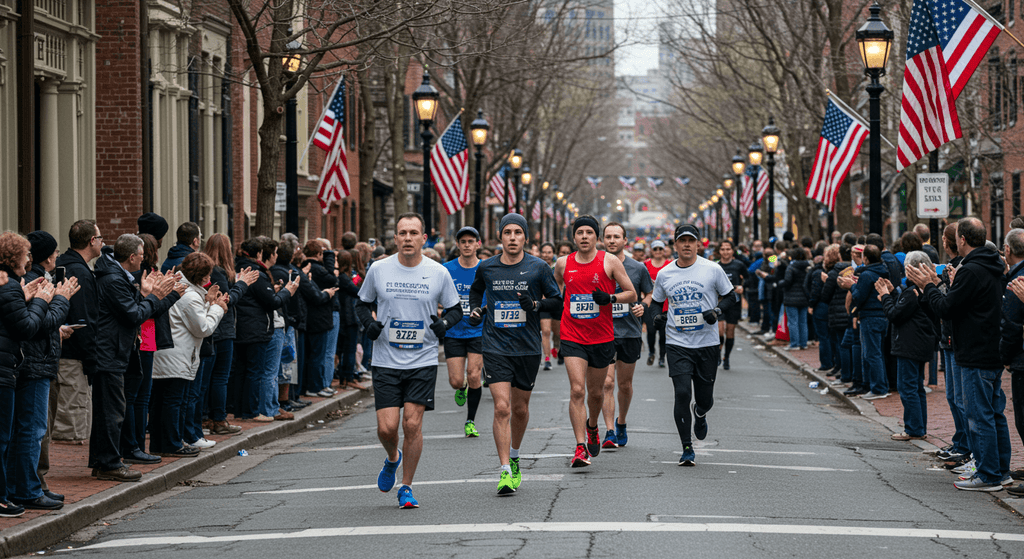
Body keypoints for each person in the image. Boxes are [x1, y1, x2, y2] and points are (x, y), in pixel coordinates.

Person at [356, 212, 463, 508]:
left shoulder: (438, 272)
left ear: (423, 238)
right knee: (387, 428)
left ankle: (407, 486)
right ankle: (393, 458)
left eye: (413, 233)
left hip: (423, 359)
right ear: (395, 238)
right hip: (386, 360)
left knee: (412, 425)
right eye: (402, 233)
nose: (407, 238)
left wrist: (444, 325)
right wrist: (370, 325)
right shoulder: (379, 269)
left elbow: (456, 310)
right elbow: (362, 304)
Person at [907, 217, 1009, 491]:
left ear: (962, 239)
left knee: (980, 414)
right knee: (995, 412)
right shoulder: (995, 265)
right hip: (992, 347)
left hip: (974, 350)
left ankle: (988, 474)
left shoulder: (971, 270)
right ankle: (1001, 469)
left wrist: (930, 285)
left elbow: (947, 309)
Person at [466, 214, 561, 494]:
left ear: (525, 237)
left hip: (528, 347)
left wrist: (534, 305)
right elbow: (476, 291)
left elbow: (556, 301)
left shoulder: (538, 267)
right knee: (502, 407)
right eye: (507, 232)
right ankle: (505, 469)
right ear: (500, 237)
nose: (512, 237)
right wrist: (475, 309)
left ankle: (516, 455)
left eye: (517, 232)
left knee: (519, 409)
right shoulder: (487, 267)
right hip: (495, 345)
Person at [91, 234, 183, 481]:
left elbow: (135, 310)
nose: (144, 261)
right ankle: (109, 463)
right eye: (141, 256)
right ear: (131, 257)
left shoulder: (117, 277)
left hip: (115, 350)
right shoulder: (114, 280)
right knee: (112, 411)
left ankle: (105, 460)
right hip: (110, 351)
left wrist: (151, 295)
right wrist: (154, 296)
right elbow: (134, 315)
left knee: (111, 409)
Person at [552, 215, 637, 467]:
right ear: (574, 237)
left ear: (596, 237)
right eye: (580, 233)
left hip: (601, 337)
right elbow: (558, 288)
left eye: (589, 232)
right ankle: (580, 447)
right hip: (572, 335)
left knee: (596, 393)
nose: (585, 236)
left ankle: (592, 426)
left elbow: (631, 293)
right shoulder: (562, 263)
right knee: (577, 389)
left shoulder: (608, 261)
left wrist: (610, 299)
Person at [650, 224, 737, 466]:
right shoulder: (665, 274)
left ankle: (700, 413)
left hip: (707, 343)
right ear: (675, 245)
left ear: (698, 244)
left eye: (691, 240)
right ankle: (687, 447)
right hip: (677, 343)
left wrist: (717, 311)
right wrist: (657, 317)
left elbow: (731, 297)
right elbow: (656, 303)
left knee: (705, 399)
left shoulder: (712, 269)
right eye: (682, 240)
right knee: (681, 393)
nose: (687, 244)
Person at [2, 232, 76, 512]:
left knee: (24, 430)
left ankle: (22, 487)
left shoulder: (18, 283)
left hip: (26, 362)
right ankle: (27, 490)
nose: (29, 259)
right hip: (32, 363)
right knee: (31, 430)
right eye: (26, 254)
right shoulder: (23, 283)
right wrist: (60, 299)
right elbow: (36, 323)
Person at [150, 253, 227, 457]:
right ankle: (172, 443)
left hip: (170, 353)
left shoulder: (186, 289)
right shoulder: (190, 296)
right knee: (173, 401)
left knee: (163, 401)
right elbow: (202, 327)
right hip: (177, 355)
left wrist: (208, 303)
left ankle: (161, 443)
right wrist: (217, 309)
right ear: (202, 276)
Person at [232, 238, 297, 422]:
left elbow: (258, 296)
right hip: (255, 329)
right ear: (259, 253)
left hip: (242, 327)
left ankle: (240, 410)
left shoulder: (239, 270)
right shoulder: (257, 274)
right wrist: (287, 291)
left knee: (242, 370)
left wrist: (272, 290)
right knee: (255, 371)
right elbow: (272, 302)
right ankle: (252, 411)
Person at [600, 222, 652, 449]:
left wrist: (644, 306)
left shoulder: (638, 268)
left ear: (624, 241)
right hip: (603, 332)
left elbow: (649, 293)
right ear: (603, 240)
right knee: (607, 383)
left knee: (625, 384)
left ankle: (621, 422)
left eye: (616, 237)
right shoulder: (596, 266)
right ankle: (610, 431)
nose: (612, 240)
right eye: (608, 236)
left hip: (630, 332)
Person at [876, 251, 937, 441]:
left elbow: (895, 314)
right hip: (921, 342)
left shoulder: (912, 293)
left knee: (908, 387)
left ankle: (914, 428)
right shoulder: (924, 290)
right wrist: (894, 292)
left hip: (909, 344)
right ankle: (919, 426)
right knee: (916, 387)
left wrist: (885, 296)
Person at [53, 220, 104, 444]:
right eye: (100, 238)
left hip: (63, 351)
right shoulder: (80, 274)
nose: (102, 243)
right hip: (74, 355)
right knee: (70, 431)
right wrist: (91, 358)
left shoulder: (63, 265)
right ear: (92, 241)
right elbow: (84, 319)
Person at [203, 234, 258, 435]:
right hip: (221, 329)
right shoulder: (218, 272)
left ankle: (207, 417)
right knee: (219, 377)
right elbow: (227, 300)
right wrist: (242, 284)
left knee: (207, 378)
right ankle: (218, 419)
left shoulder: (208, 271)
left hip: (211, 328)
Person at [443, 227, 486, 438]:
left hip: (478, 331)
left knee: (475, 375)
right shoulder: (446, 269)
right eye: (463, 241)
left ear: (478, 243)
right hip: (454, 331)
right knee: (456, 381)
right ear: (458, 245)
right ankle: (461, 388)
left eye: (471, 241)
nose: (467, 245)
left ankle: (470, 420)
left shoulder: (485, 269)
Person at [849, 245, 890, 399]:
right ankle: (881, 385)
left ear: (865, 258)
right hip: (882, 315)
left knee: (872, 353)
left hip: (870, 316)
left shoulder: (867, 275)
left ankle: (878, 388)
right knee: (878, 353)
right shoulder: (883, 270)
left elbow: (859, 296)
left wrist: (852, 286)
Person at [1000, 229, 1024, 493]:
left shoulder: (1017, 280)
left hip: (1020, 358)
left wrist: (1005, 356)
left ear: (1007, 250)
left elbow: (1011, 324)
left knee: (1023, 418)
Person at [300, 240, 340, 398]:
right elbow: (332, 279)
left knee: (314, 354)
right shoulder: (318, 269)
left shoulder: (305, 268)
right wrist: (329, 255)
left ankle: (315, 384)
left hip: (310, 317)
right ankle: (316, 386)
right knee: (319, 354)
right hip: (319, 317)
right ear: (319, 254)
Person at [715, 240, 747, 368]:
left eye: (728, 249)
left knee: (730, 331)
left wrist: (742, 286)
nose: (725, 252)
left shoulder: (739, 265)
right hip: (719, 302)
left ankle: (726, 357)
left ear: (733, 251)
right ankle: (717, 353)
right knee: (719, 330)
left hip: (734, 302)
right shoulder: (715, 266)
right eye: (723, 249)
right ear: (719, 251)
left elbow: (749, 278)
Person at [645, 240, 672, 367]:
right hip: (650, 303)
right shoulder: (645, 265)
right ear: (651, 251)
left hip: (666, 304)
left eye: (660, 249)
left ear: (664, 251)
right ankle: (651, 352)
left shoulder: (670, 265)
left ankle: (662, 357)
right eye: (655, 249)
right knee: (651, 331)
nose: (657, 252)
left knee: (663, 333)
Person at [539, 242, 557, 370]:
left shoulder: (558, 267)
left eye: (549, 252)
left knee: (558, 331)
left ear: (553, 254)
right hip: (544, 304)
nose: (546, 255)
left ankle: (556, 348)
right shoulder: (537, 267)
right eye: (544, 252)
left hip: (557, 304)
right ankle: (547, 358)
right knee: (545, 331)